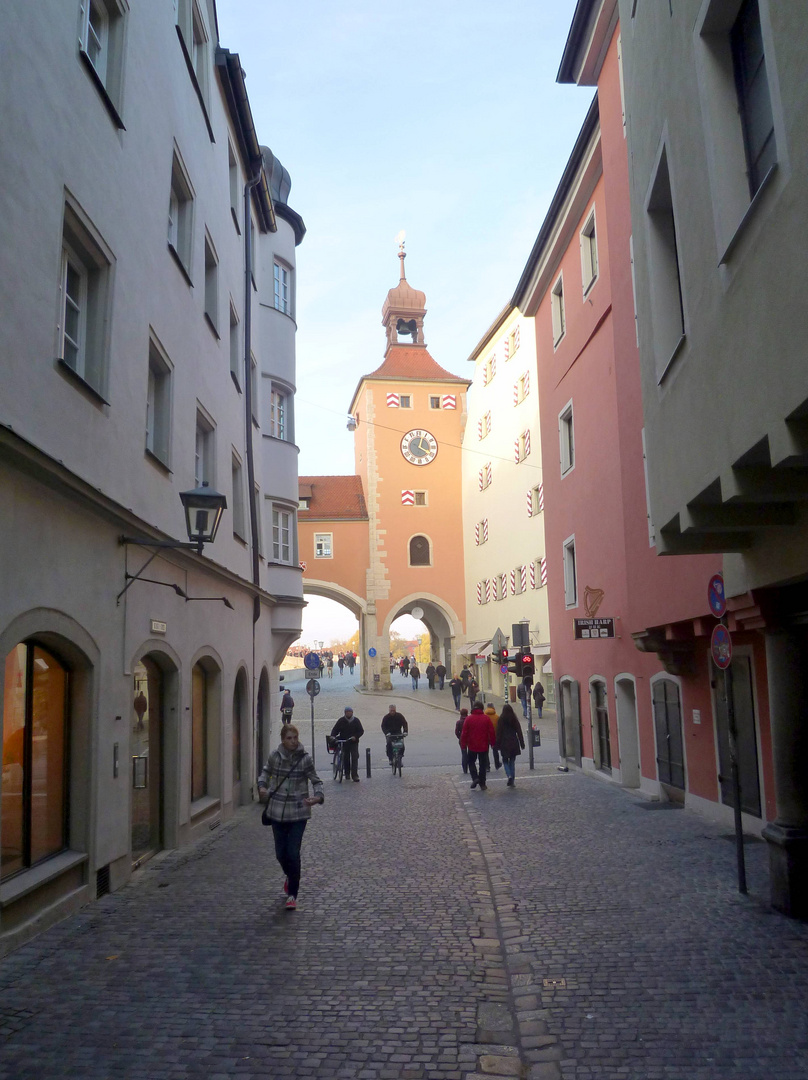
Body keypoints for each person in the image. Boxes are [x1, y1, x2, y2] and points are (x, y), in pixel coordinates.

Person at [257, 724, 324, 910]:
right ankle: (290, 875)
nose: (293, 741)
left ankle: (292, 894)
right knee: (281, 854)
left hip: (298, 813)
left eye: (295, 737)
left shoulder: (305, 759)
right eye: (289, 738)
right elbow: (265, 773)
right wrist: (262, 786)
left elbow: (316, 780)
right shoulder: (274, 757)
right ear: (282, 740)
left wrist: (318, 797)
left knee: (293, 853)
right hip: (277, 812)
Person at [460, 702, 496, 790]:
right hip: (484, 745)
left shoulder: (468, 719)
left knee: (471, 762)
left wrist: (463, 745)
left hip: (472, 745)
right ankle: (482, 783)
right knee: (483, 765)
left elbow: (464, 733)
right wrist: (493, 743)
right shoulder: (486, 719)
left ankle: (475, 777)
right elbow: (491, 732)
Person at [330, 707, 364, 781]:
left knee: (355, 757)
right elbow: (335, 729)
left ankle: (355, 775)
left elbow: (361, 731)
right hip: (344, 741)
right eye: (347, 712)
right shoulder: (341, 720)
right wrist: (333, 736)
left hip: (353, 742)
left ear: (352, 712)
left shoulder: (356, 720)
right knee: (346, 757)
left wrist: (356, 736)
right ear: (345, 713)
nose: (348, 713)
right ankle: (347, 773)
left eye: (350, 712)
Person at [496, 703, 525, 787]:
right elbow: (519, 732)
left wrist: (497, 744)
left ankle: (509, 775)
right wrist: (522, 743)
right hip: (513, 741)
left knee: (505, 760)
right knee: (512, 761)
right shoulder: (514, 719)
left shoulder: (501, 719)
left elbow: (499, 733)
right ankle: (512, 779)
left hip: (504, 742)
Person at [484, 703, 502, 770]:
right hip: (494, 736)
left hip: (485, 736)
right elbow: (499, 727)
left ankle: (487, 766)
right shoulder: (497, 717)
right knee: (495, 750)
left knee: (486, 752)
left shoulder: (484, 716)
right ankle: (497, 764)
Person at [455, 707, 469, 773]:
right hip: (470, 739)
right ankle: (471, 766)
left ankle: (465, 769)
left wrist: (460, 737)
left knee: (464, 754)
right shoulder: (469, 720)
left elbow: (457, 732)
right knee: (471, 753)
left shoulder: (459, 722)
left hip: (462, 740)